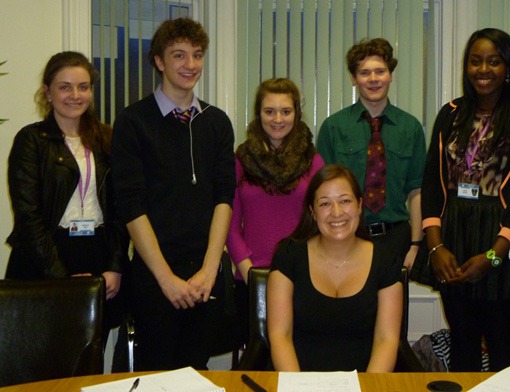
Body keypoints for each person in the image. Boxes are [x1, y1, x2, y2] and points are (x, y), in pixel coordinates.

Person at [110, 18, 236, 370]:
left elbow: (224, 197)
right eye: (179, 55)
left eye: (197, 55)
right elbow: (131, 206)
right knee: (158, 373)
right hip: (155, 274)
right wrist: (166, 280)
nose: (190, 65)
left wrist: (211, 269)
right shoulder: (133, 121)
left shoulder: (217, 122)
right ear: (159, 61)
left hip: (206, 273)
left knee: (197, 370)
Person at [420, 28, 510, 371]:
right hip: (452, 238)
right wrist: (435, 247)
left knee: (502, 342)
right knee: (462, 340)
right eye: (475, 61)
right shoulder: (451, 113)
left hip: (499, 239)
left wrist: (494, 256)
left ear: (508, 67)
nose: (483, 69)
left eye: (493, 61)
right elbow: (432, 184)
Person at [5, 51, 129, 344]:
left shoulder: (107, 139)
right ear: (47, 92)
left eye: (83, 86)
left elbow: (121, 208)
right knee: (43, 356)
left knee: (89, 352)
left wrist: (114, 265)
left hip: (98, 252)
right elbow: (28, 216)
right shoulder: (31, 141)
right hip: (45, 257)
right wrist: (59, 278)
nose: (75, 95)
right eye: (65, 87)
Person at [267, 164, 402, 372]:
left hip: (364, 383)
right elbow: (280, 336)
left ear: (359, 205)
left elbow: (387, 340)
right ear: (312, 212)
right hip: (298, 381)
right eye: (325, 204)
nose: (336, 213)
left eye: (345, 201)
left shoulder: (385, 260)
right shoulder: (289, 255)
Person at [226, 78, 324, 346]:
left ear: (297, 114)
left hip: (303, 278)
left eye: (286, 111)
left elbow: (322, 221)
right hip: (252, 278)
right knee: (259, 362)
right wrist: (250, 274)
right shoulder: (241, 159)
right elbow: (230, 225)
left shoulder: (313, 161)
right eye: (269, 111)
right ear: (258, 114)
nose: (277, 119)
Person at [317, 38, 426, 270]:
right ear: (354, 79)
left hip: (396, 239)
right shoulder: (334, 127)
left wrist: (415, 244)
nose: (373, 79)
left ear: (390, 75)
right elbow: (321, 192)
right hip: (346, 235)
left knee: (394, 306)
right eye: (365, 73)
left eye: (380, 71)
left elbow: (417, 190)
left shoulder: (411, 127)